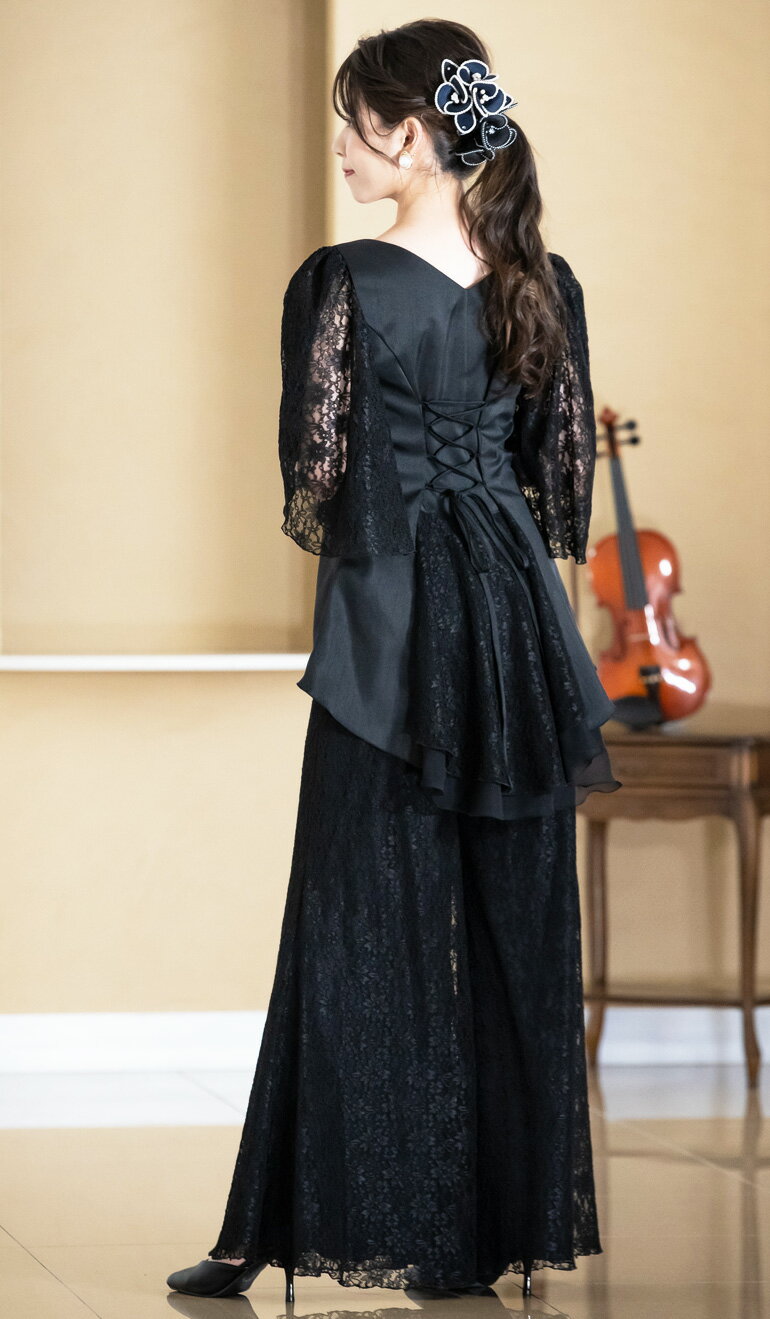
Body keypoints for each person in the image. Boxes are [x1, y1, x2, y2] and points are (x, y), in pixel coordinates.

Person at [166, 16, 621, 1305]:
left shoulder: (343, 283)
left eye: (354, 128)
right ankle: (476, 1239)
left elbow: (315, 483)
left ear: (411, 134)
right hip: (513, 628)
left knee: (351, 918)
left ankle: (265, 1232)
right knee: (511, 928)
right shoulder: (546, 280)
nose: (344, 149)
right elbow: (560, 490)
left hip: (395, 622)